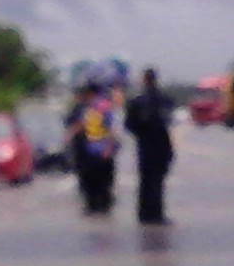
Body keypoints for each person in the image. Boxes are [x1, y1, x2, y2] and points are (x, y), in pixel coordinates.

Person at [125, 67, 177, 225]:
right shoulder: (164, 99)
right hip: (161, 140)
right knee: (158, 180)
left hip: (145, 142)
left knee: (146, 179)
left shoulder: (136, 100)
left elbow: (129, 124)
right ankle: (155, 213)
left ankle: (145, 213)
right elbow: (169, 119)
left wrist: (140, 132)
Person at [69, 81, 119, 215]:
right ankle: (96, 205)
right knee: (95, 179)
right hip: (92, 149)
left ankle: (98, 205)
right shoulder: (90, 107)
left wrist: (108, 147)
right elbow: (80, 124)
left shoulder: (98, 107)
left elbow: (109, 128)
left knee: (97, 179)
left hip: (97, 148)